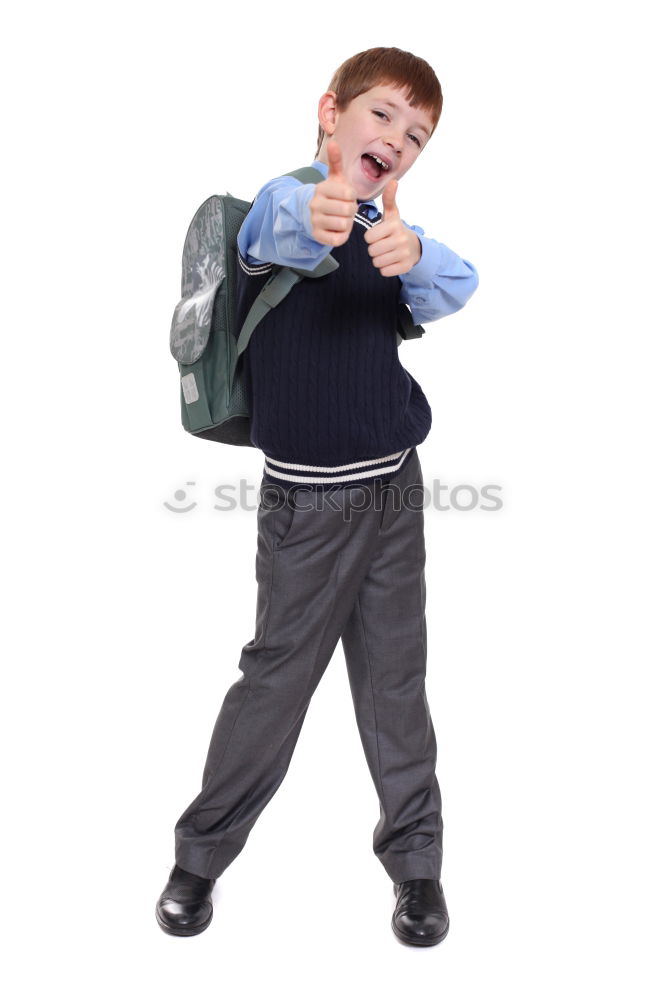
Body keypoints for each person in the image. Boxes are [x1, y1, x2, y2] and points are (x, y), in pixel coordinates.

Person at [156, 46, 479, 946]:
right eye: (382, 116)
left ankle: (417, 870)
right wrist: (322, 209)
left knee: (396, 685)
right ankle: (198, 859)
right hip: (309, 508)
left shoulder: (389, 231)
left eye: (417, 134)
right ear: (332, 111)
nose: (398, 140)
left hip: (394, 496)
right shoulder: (285, 205)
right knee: (275, 684)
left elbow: (459, 285)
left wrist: (412, 249)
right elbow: (284, 228)